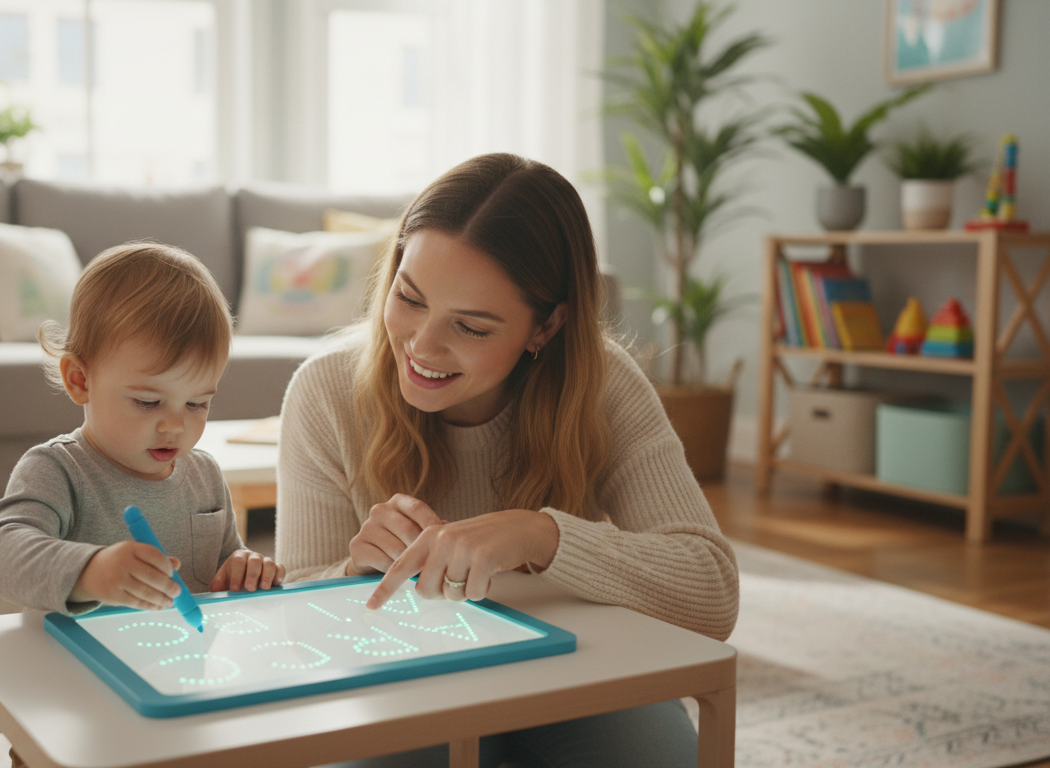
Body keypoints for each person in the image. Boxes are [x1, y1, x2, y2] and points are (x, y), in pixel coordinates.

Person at [275, 153, 737, 767]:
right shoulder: (326, 392)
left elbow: (711, 589)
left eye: (470, 327)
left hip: (576, 666)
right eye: (408, 298)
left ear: (545, 328)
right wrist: (354, 574)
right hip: (404, 679)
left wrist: (540, 534)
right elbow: (292, 620)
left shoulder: (603, 386)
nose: (421, 345)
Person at [0, 242, 285, 618]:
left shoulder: (205, 475)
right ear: (80, 380)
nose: (175, 425)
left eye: (196, 403)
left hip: (181, 667)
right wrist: (91, 572)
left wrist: (242, 567)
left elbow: (222, 568)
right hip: (77, 670)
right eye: (147, 402)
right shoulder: (56, 471)